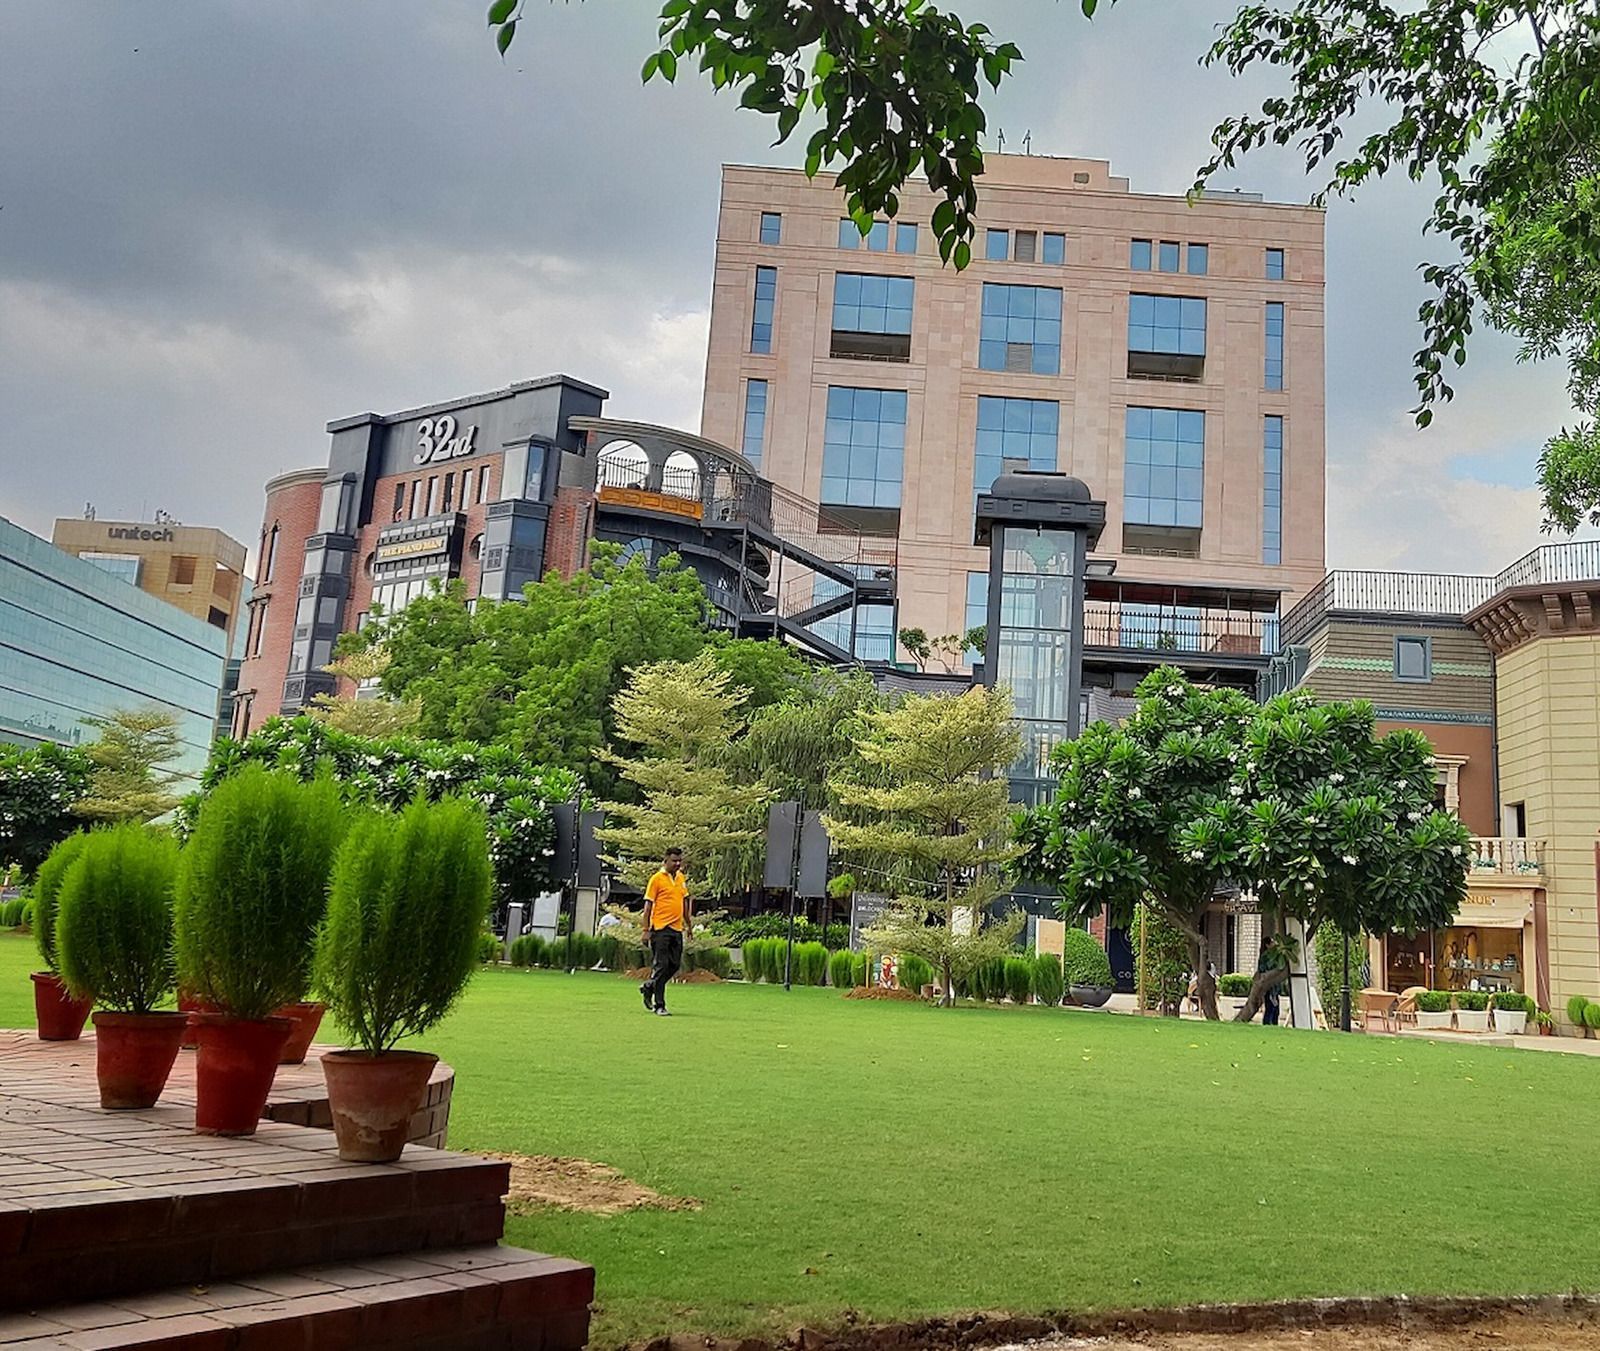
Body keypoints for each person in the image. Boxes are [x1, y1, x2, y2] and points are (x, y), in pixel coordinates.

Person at [640, 847, 691, 1016]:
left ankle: (650, 986)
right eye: (674, 860)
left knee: (674, 964)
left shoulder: (680, 878)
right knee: (661, 966)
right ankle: (659, 1005)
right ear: (666, 861)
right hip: (660, 928)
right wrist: (646, 930)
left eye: (679, 861)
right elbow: (647, 907)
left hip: (676, 928)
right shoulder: (656, 879)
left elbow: (683, 903)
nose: (677, 864)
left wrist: (689, 925)